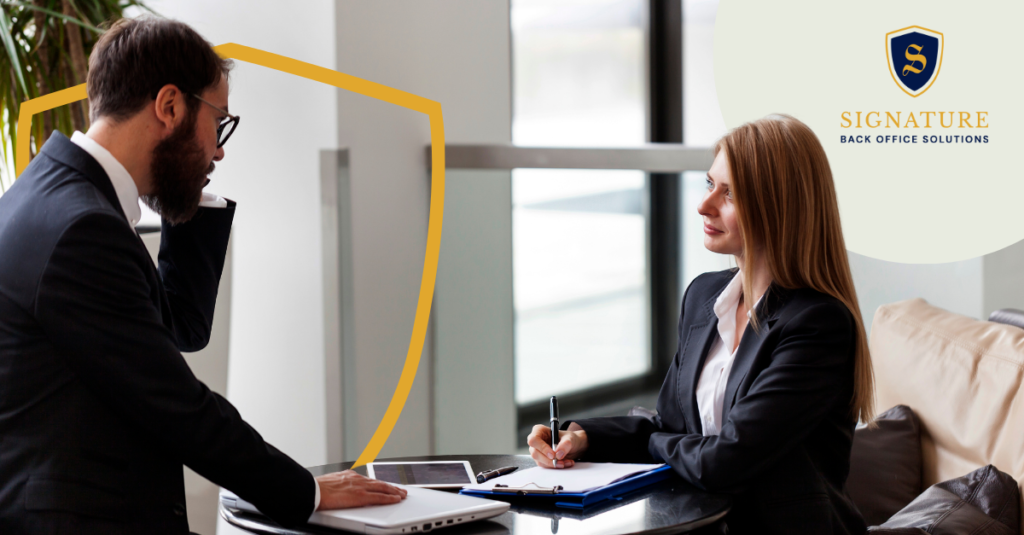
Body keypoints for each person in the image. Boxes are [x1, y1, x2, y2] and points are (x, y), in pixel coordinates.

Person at [0, 17, 405, 534]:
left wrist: (188, 194)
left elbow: (176, 328)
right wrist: (304, 491)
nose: (218, 150)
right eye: (219, 123)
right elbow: (175, 403)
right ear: (170, 106)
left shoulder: (50, 196)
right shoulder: (83, 228)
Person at [527, 115, 874, 534]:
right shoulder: (704, 297)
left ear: (779, 207)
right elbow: (672, 427)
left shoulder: (818, 325)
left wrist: (651, 444)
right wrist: (583, 436)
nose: (704, 205)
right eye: (711, 185)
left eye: (730, 194)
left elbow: (724, 461)